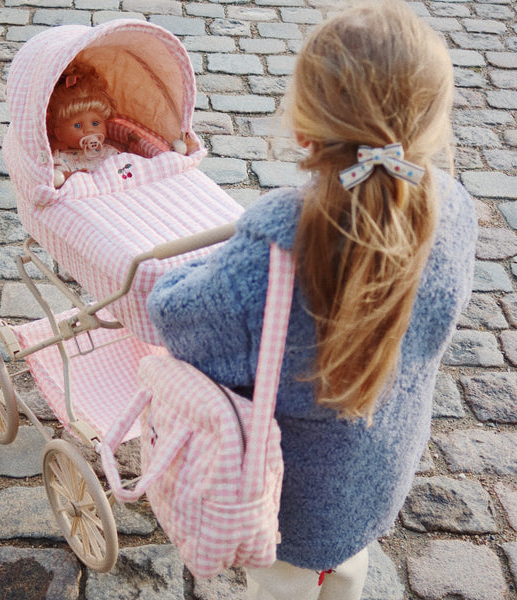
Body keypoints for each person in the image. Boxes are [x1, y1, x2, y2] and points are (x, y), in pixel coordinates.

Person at [146, 1, 477, 599]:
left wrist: (187, 268)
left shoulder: (272, 255)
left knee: (281, 590)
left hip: (291, 498)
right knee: (348, 568)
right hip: (380, 470)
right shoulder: (452, 208)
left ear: (303, 130)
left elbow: (179, 320)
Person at [47, 59, 120, 187]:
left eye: (96, 123)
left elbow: (127, 170)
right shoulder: (62, 159)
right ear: (59, 134)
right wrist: (68, 177)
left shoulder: (110, 152)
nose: (89, 131)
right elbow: (53, 180)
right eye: (77, 126)